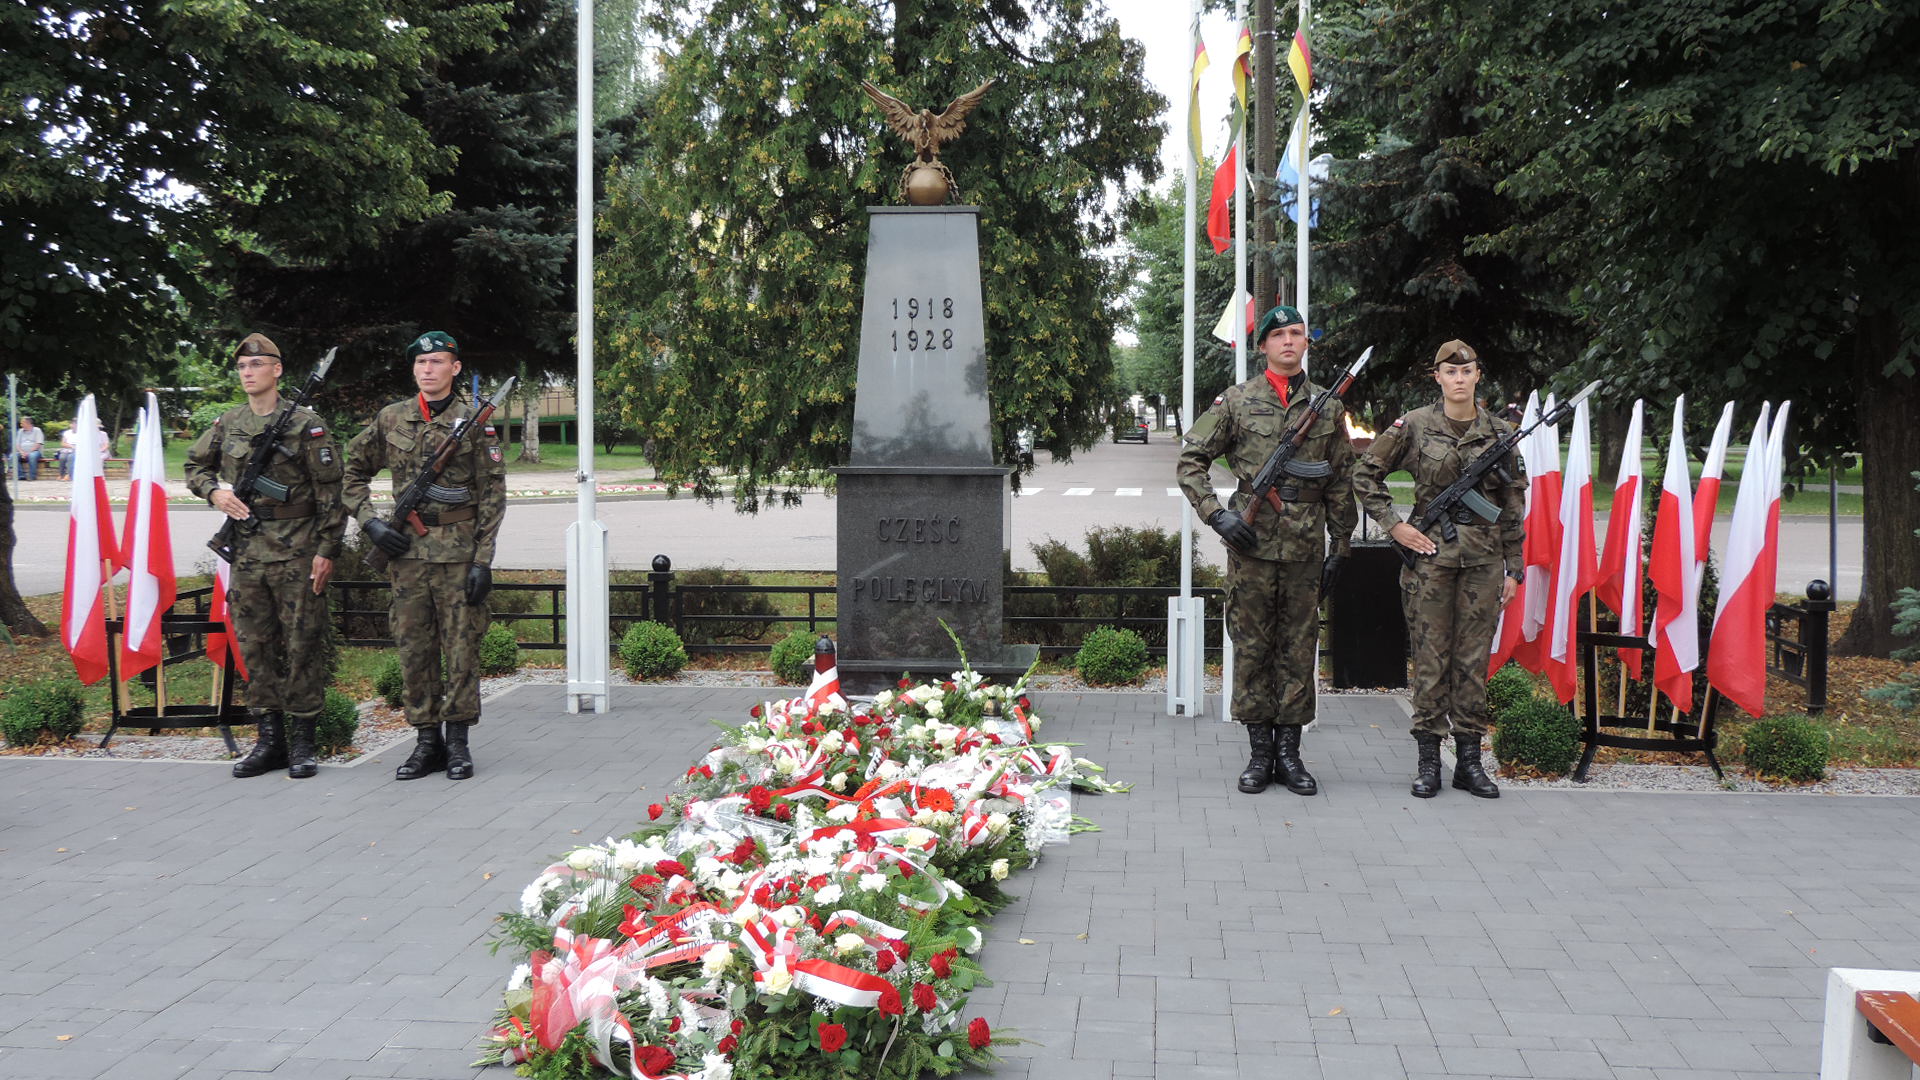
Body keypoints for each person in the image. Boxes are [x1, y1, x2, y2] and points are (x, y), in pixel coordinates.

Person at [1177, 306, 1357, 796]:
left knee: (1299, 649)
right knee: (1253, 646)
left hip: (1304, 548)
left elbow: (1341, 480)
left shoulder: (1328, 406)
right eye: (1278, 335)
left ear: (1306, 343)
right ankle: (1259, 754)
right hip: (1251, 545)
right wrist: (1217, 514)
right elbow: (1191, 461)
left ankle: (1290, 755)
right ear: (1263, 347)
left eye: (1297, 334)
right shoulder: (1236, 401)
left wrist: (1340, 546)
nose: (1289, 342)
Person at [1352, 339, 1526, 799]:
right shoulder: (1414, 425)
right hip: (1430, 562)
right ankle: (1429, 760)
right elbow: (1365, 475)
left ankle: (1469, 762)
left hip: (1484, 564)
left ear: (1477, 374)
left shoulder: (1500, 432)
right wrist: (1395, 527)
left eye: (1466, 371)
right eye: (1450, 372)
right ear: (1438, 377)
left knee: (1471, 664)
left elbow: (1512, 504)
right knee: (1431, 662)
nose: (1459, 379)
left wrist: (1515, 567)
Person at [343, 331, 506, 782]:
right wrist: (371, 523)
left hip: (457, 553)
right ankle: (425, 742)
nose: (427, 369)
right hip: (406, 555)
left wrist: (482, 561)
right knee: (413, 649)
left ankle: (457, 744)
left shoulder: (475, 424)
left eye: (437, 362)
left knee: (461, 651)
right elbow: (351, 470)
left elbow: (492, 495)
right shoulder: (391, 418)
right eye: (420, 363)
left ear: (455, 368)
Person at [184, 333, 347, 779]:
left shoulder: (307, 425)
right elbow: (194, 467)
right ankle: (269, 740)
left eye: (256, 365)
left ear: (276, 370)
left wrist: (326, 550)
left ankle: (303, 744)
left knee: (301, 647)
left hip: (297, 554)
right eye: (242, 367)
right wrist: (215, 492)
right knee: (255, 648)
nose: (248, 372)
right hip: (249, 554)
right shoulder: (228, 423)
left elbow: (331, 493)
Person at [14, 416, 44, 480]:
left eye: (22, 423)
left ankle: (32, 476)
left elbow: (38, 444)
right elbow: (17, 444)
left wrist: (28, 453)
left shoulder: (37, 430)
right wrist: (22, 452)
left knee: (32, 456)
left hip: (35, 451)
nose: (21, 425)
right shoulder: (20, 431)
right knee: (13, 456)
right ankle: (21, 475)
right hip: (22, 452)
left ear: (28, 423)